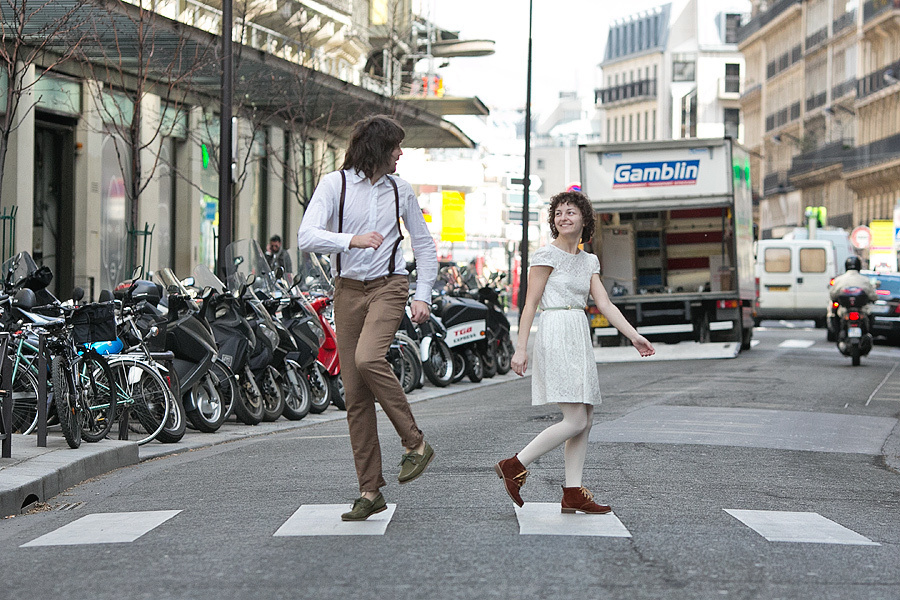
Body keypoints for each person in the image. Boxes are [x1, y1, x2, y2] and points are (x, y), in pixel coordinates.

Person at [297, 115, 438, 521]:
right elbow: (306, 236)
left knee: (368, 357)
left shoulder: (400, 190)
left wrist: (422, 295)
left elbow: (424, 245)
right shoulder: (334, 185)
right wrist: (350, 240)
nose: (400, 154)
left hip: (389, 286)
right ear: (377, 149)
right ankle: (369, 490)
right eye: (395, 147)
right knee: (355, 395)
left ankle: (414, 442)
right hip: (348, 290)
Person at [495, 190, 655, 515]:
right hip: (555, 330)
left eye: (570, 212)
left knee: (586, 418)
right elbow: (529, 304)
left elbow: (605, 304)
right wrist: (521, 348)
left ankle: (572, 492)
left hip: (578, 334)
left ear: (584, 219)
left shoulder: (589, 260)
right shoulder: (545, 256)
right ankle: (515, 464)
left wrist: (635, 336)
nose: (563, 218)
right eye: (558, 214)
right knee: (575, 418)